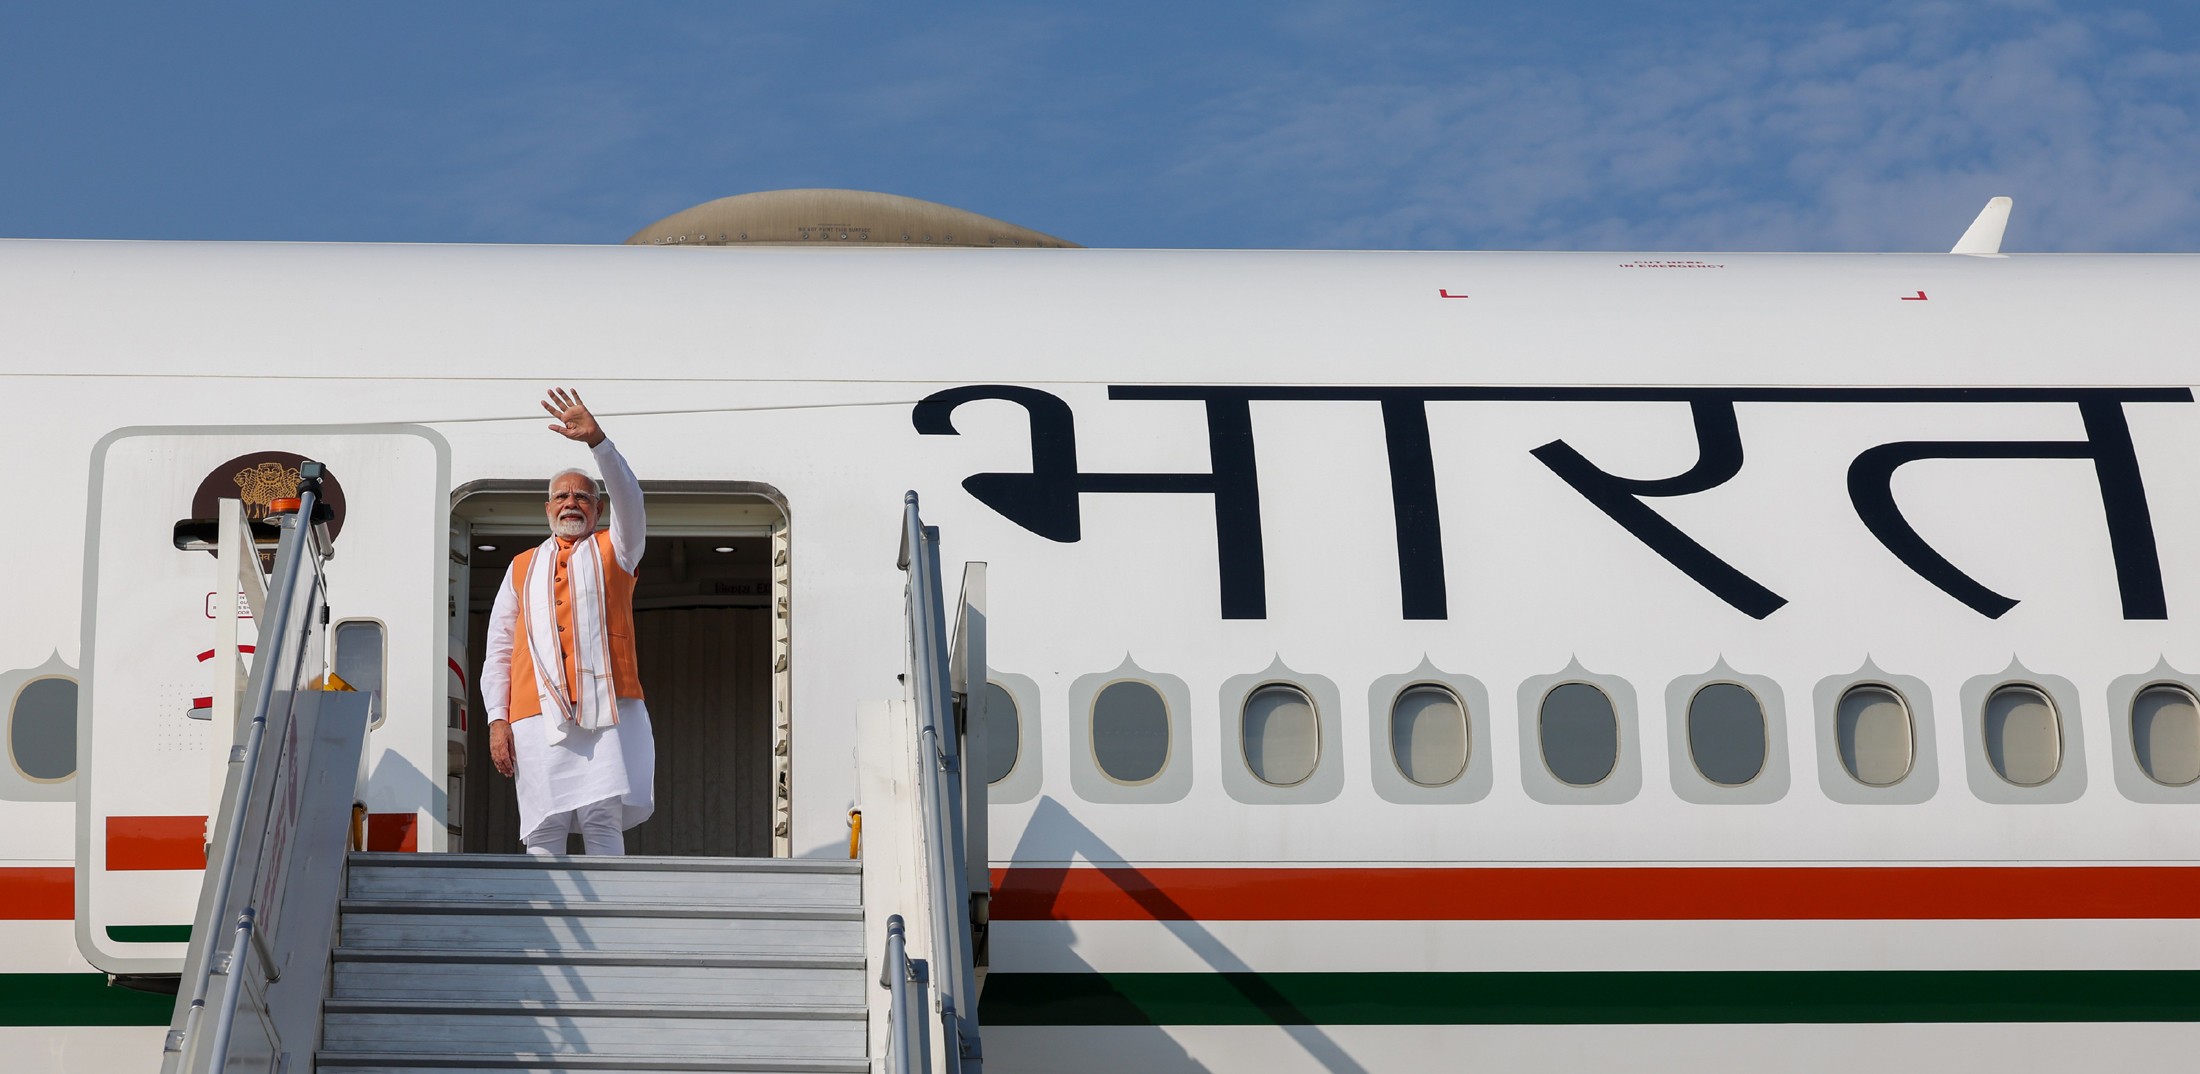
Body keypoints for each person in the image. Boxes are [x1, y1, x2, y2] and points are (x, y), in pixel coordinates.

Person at [480, 388, 655, 855]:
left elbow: (632, 500)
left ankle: (609, 905)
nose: (571, 502)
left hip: (605, 710)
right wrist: (497, 719)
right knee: (543, 826)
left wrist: (598, 442)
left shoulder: (617, 550)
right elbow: (499, 649)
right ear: (548, 508)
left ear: (598, 510)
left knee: (601, 820)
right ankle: (544, 909)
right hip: (534, 716)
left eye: (582, 496)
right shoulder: (521, 565)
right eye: (561, 496)